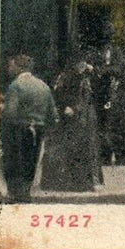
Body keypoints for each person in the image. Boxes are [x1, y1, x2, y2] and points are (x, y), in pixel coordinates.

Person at [40, 55, 102, 192]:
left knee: (80, 146)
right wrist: (69, 107)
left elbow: (85, 96)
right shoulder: (68, 77)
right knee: (71, 146)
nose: (83, 66)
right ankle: (71, 182)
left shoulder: (82, 78)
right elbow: (63, 94)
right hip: (75, 114)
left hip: (81, 115)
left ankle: (80, 182)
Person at [0, 54, 57, 202]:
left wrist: (0, 108)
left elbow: (10, 114)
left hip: (19, 130)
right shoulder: (43, 86)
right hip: (39, 129)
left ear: (19, 68)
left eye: (11, 66)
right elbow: (52, 113)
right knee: (31, 162)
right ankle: (26, 193)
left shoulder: (16, 86)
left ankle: (17, 195)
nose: (9, 69)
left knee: (16, 162)